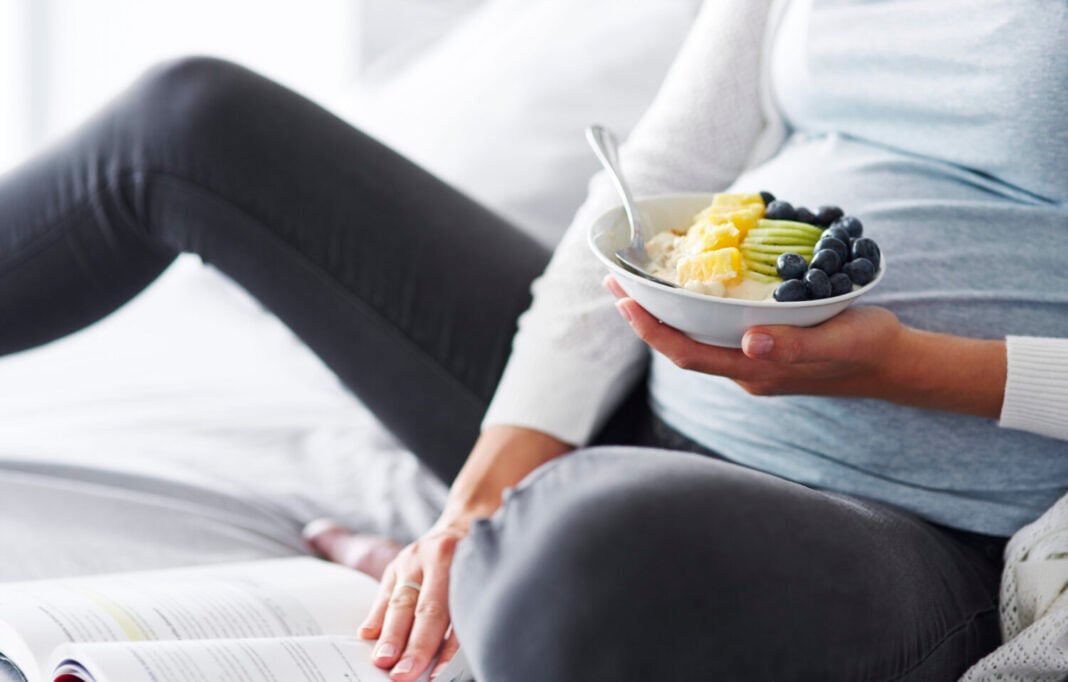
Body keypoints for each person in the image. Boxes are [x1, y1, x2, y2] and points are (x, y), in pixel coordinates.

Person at [1, 0, 1066, 679]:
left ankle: (525, 561)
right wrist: (475, 504)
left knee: (583, 552)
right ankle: (499, 545)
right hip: (645, 393)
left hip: (917, 523)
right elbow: (656, 173)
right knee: (191, 121)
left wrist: (907, 367)